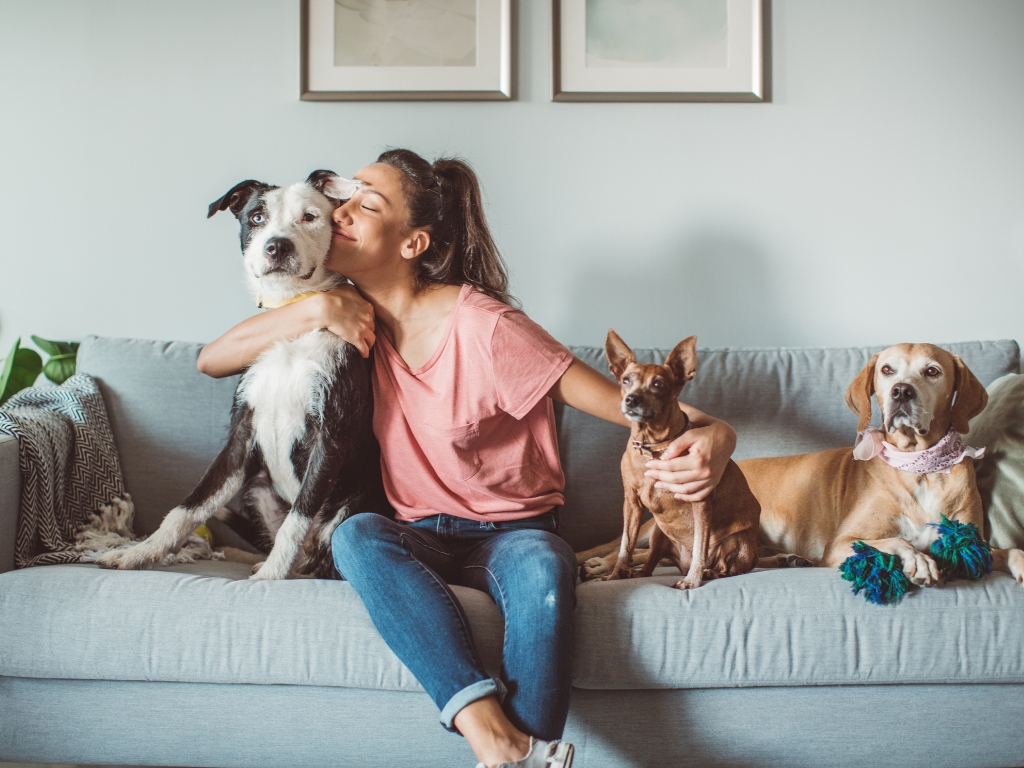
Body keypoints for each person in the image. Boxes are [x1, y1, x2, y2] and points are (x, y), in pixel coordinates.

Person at [197, 149, 737, 768]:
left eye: (366, 204)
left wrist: (720, 436)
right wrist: (316, 307)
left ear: (411, 243)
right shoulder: (343, 313)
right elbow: (212, 360)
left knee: (544, 572)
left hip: (513, 534)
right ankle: (498, 739)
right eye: (344, 199)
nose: (341, 211)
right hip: (414, 533)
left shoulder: (487, 327)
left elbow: (632, 407)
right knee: (356, 537)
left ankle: (512, 754)